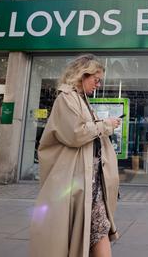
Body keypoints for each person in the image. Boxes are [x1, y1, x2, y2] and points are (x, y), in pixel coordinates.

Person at [30, 54, 122, 257]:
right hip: (77, 182)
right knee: (98, 229)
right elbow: (75, 133)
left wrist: (104, 126)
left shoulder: (81, 99)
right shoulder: (66, 98)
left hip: (89, 182)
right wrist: (106, 125)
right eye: (96, 79)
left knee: (97, 230)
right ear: (82, 75)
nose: (98, 85)